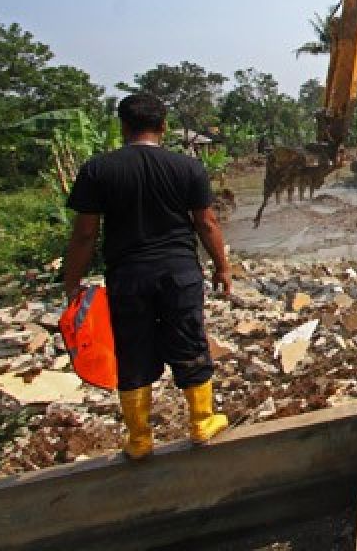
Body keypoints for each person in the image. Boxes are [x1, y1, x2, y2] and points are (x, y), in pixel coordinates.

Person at [62, 93, 232, 460]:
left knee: (132, 351)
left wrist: (72, 282)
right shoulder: (187, 168)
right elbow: (206, 222)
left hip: (127, 276)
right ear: (164, 126)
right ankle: (202, 421)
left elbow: (85, 234)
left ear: (123, 126)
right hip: (180, 273)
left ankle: (139, 438)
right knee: (189, 340)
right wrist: (222, 266)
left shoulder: (98, 170)